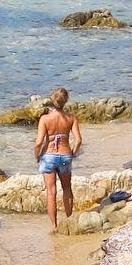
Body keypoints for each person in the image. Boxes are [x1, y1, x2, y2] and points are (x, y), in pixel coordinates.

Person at [34, 88, 82, 229]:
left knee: (51, 192)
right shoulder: (71, 118)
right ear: (66, 101)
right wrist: (73, 153)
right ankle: (68, 221)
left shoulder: (45, 119)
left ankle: (54, 226)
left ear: (52, 101)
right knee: (67, 188)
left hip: (49, 156)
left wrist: (37, 156)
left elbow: (38, 143)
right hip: (65, 155)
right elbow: (78, 140)